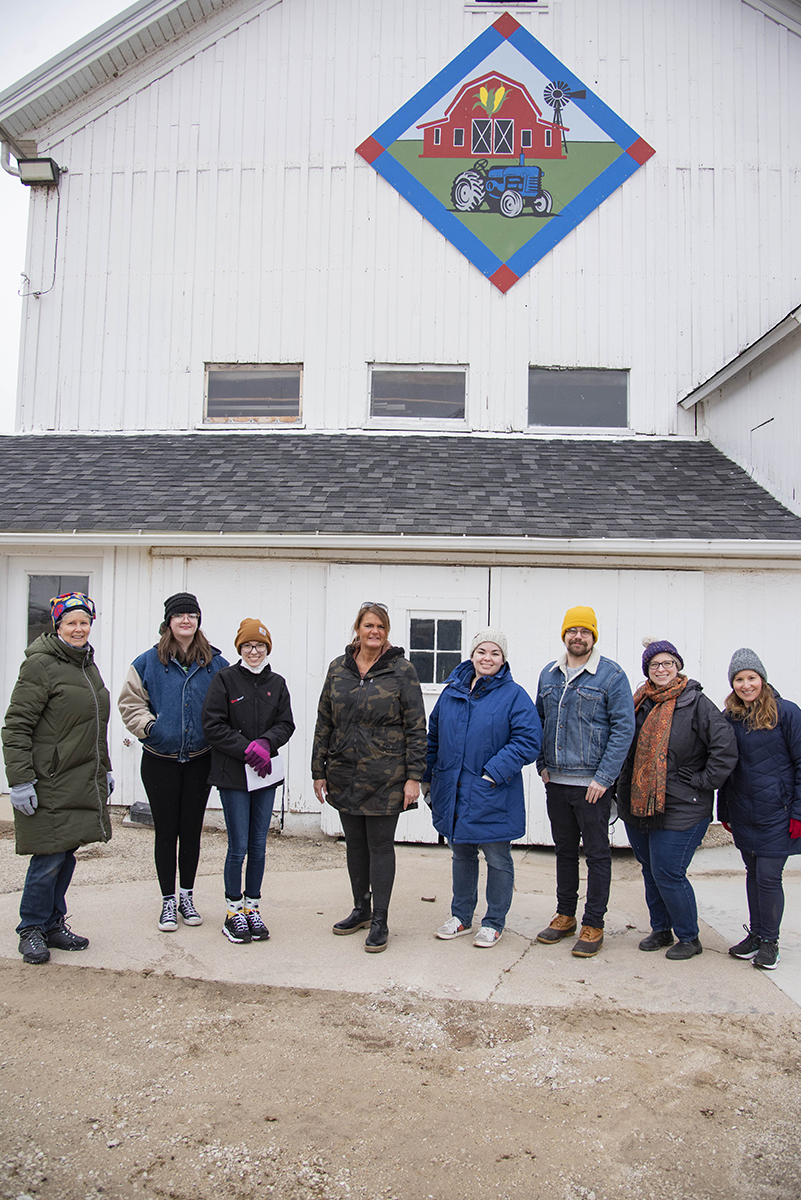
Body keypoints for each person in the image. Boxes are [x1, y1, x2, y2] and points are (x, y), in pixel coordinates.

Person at [2, 593, 112, 965]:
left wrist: (106, 768)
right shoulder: (41, 666)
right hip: (48, 779)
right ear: (58, 625)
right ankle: (30, 928)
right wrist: (19, 781)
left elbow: (95, 725)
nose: (79, 628)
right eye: (71, 623)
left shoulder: (85, 664)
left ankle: (52, 923)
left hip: (80, 776)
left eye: (84, 622)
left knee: (66, 854)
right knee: (48, 856)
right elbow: (16, 726)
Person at [312, 602, 426, 953]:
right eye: (368, 626)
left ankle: (380, 919)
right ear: (357, 630)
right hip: (344, 773)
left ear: (386, 632)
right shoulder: (338, 669)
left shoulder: (402, 671)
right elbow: (324, 721)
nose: (373, 632)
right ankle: (360, 908)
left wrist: (413, 777)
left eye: (380, 626)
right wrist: (319, 771)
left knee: (379, 847)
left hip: (386, 776)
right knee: (355, 846)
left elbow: (416, 727)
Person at [616, 639, 737, 960]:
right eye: (655, 665)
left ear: (678, 666)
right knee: (650, 869)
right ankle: (661, 929)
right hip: (638, 804)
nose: (662, 669)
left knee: (668, 871)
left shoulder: (696, 703)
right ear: (647, 670)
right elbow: (622, 748)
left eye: (668, 663)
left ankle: (689, 936)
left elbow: (725, 749)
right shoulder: (638, 701)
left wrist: (701, 782)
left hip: (683, 806)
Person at [424, 629, 541, 948]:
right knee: (461, 854)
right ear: (471, 655)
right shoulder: (451, 692)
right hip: (454, 790)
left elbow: (529, 741)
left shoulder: (514, 695)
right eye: (482, 652)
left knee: (498, 858)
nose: (487, 658)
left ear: (503, 660)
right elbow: (433, 736)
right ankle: (461, 916)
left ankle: (493, 922)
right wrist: (426, 777)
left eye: (495, 654)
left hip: (493, 792)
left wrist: (493, 773)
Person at [118, 593, 227, 932]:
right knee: (166, 832)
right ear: (168, 622)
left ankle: (187, 897)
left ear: (198, 621)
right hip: (160, 761)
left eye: (192, 615)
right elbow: (129, 704)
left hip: (199, 761)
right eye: (179, 615)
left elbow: (228, 705)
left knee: (191, 831)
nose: (186, 621)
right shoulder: (147, 663)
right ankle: (167, 901)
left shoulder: (215, 664)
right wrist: (152, 728)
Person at [535, 605, 635, 957]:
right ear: (564, 635)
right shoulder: (549, 675)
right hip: (557, 783)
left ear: (594, 636)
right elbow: (539, 722)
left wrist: (605, 777)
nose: (578, 637)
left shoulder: (611, 676)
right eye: (572, 631)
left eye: (585, 632)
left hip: (592, 785)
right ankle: (565, 915)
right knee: (564, 852)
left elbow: (624, 729)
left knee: (596, 855)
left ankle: (594, 922)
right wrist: (541, 765)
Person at [202, 618, 295, 945]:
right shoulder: (224, 680)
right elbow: (212, 726)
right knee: (238, 845)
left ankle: (253, 907)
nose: (254, 651)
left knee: (258, 844)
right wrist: (246, 748)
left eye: (259, 646)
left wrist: (267, 743)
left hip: (264, 776)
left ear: (267, 648)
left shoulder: (277, 683)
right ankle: (233, 912)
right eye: (247, 646)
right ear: (239, 648)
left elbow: (286, 723)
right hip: (233, 775)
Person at [719, 649, 801, 971]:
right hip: (743, 812)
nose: (746, 684)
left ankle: (770, 942)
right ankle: (755, 935)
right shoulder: (731, 719)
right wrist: (724, 809)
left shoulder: (788, 713)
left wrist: (798, 813)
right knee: (753, 874)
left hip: (777, 814)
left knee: (768, 877)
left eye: (751, 677)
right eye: (739, 679)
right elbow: (727, 768)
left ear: (762, 679)